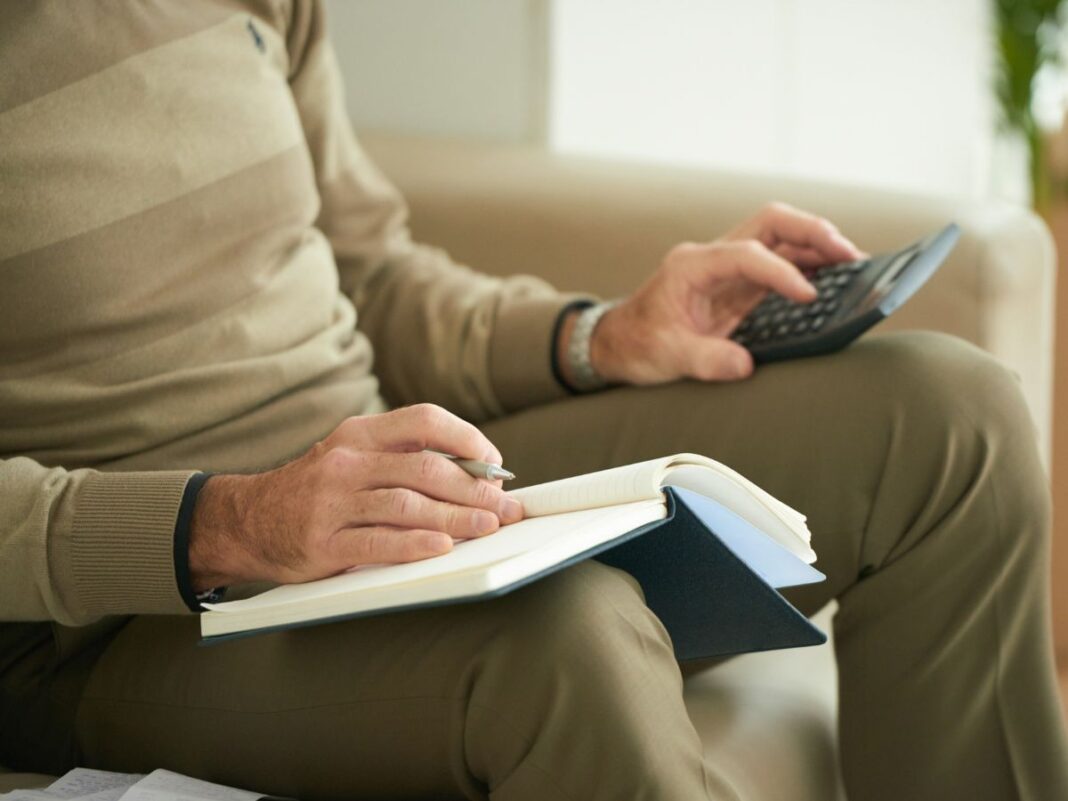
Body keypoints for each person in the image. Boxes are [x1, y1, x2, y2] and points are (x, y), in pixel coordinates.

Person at [2, 2, 1066, 800]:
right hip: (108, 623)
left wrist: (600, 336)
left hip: (383, 497)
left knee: (949, 416)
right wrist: (232, 522)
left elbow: (374, 276)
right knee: (571, 631)